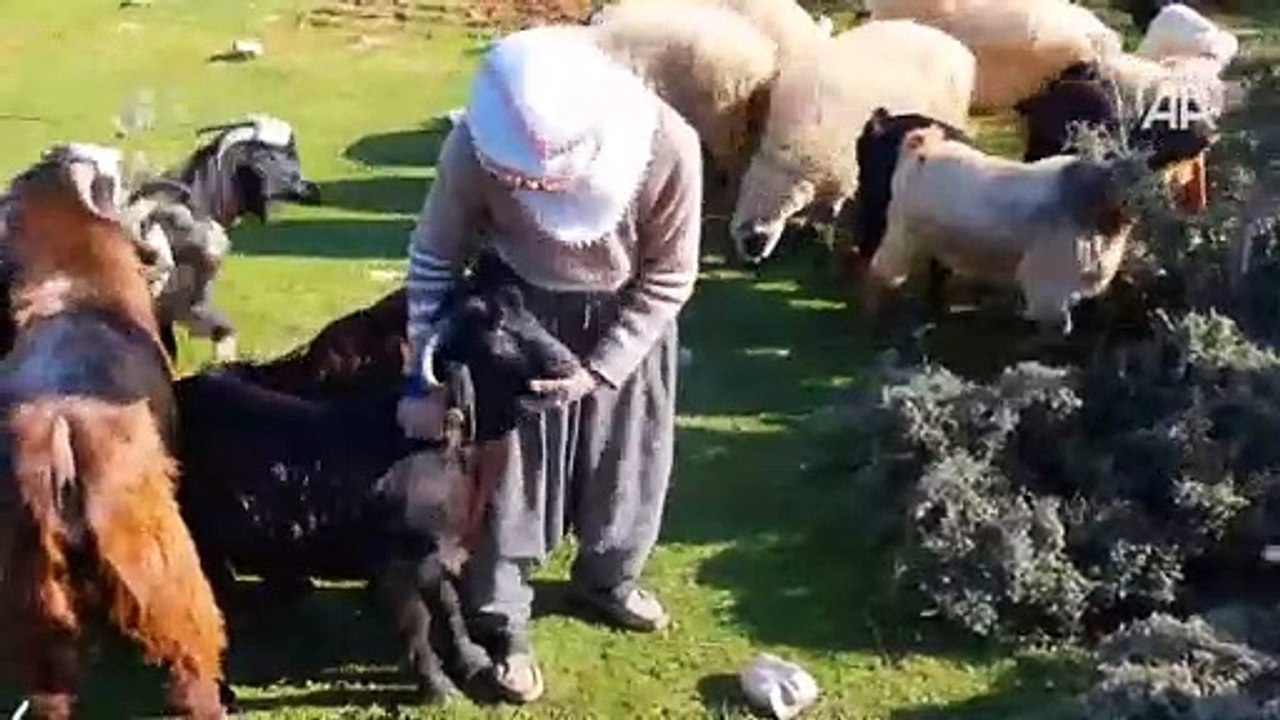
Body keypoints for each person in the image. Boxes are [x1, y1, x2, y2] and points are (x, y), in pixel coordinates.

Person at [395, 25, 703, 703]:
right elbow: (434, 259)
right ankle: (503, 619)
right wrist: (423, 374)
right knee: (510, 483)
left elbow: (671, 277)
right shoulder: (471, 145)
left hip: (626, 319)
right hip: (514, 319)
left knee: (628, 461)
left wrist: (603, 369)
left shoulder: (668, 145)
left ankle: (609, 578)